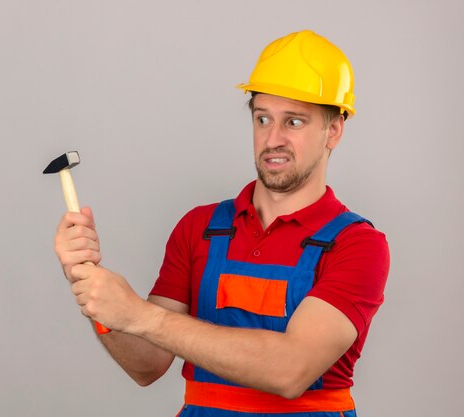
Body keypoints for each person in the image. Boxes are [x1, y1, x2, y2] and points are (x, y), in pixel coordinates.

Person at [54, 29, 390, 417]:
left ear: (333, 131)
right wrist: (91, 287)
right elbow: (147, 366)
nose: (273, 139)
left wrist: (139, 314)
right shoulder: (200, 227)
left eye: (294, 123)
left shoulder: (357, 245)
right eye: (263, 118)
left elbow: (291, 370)